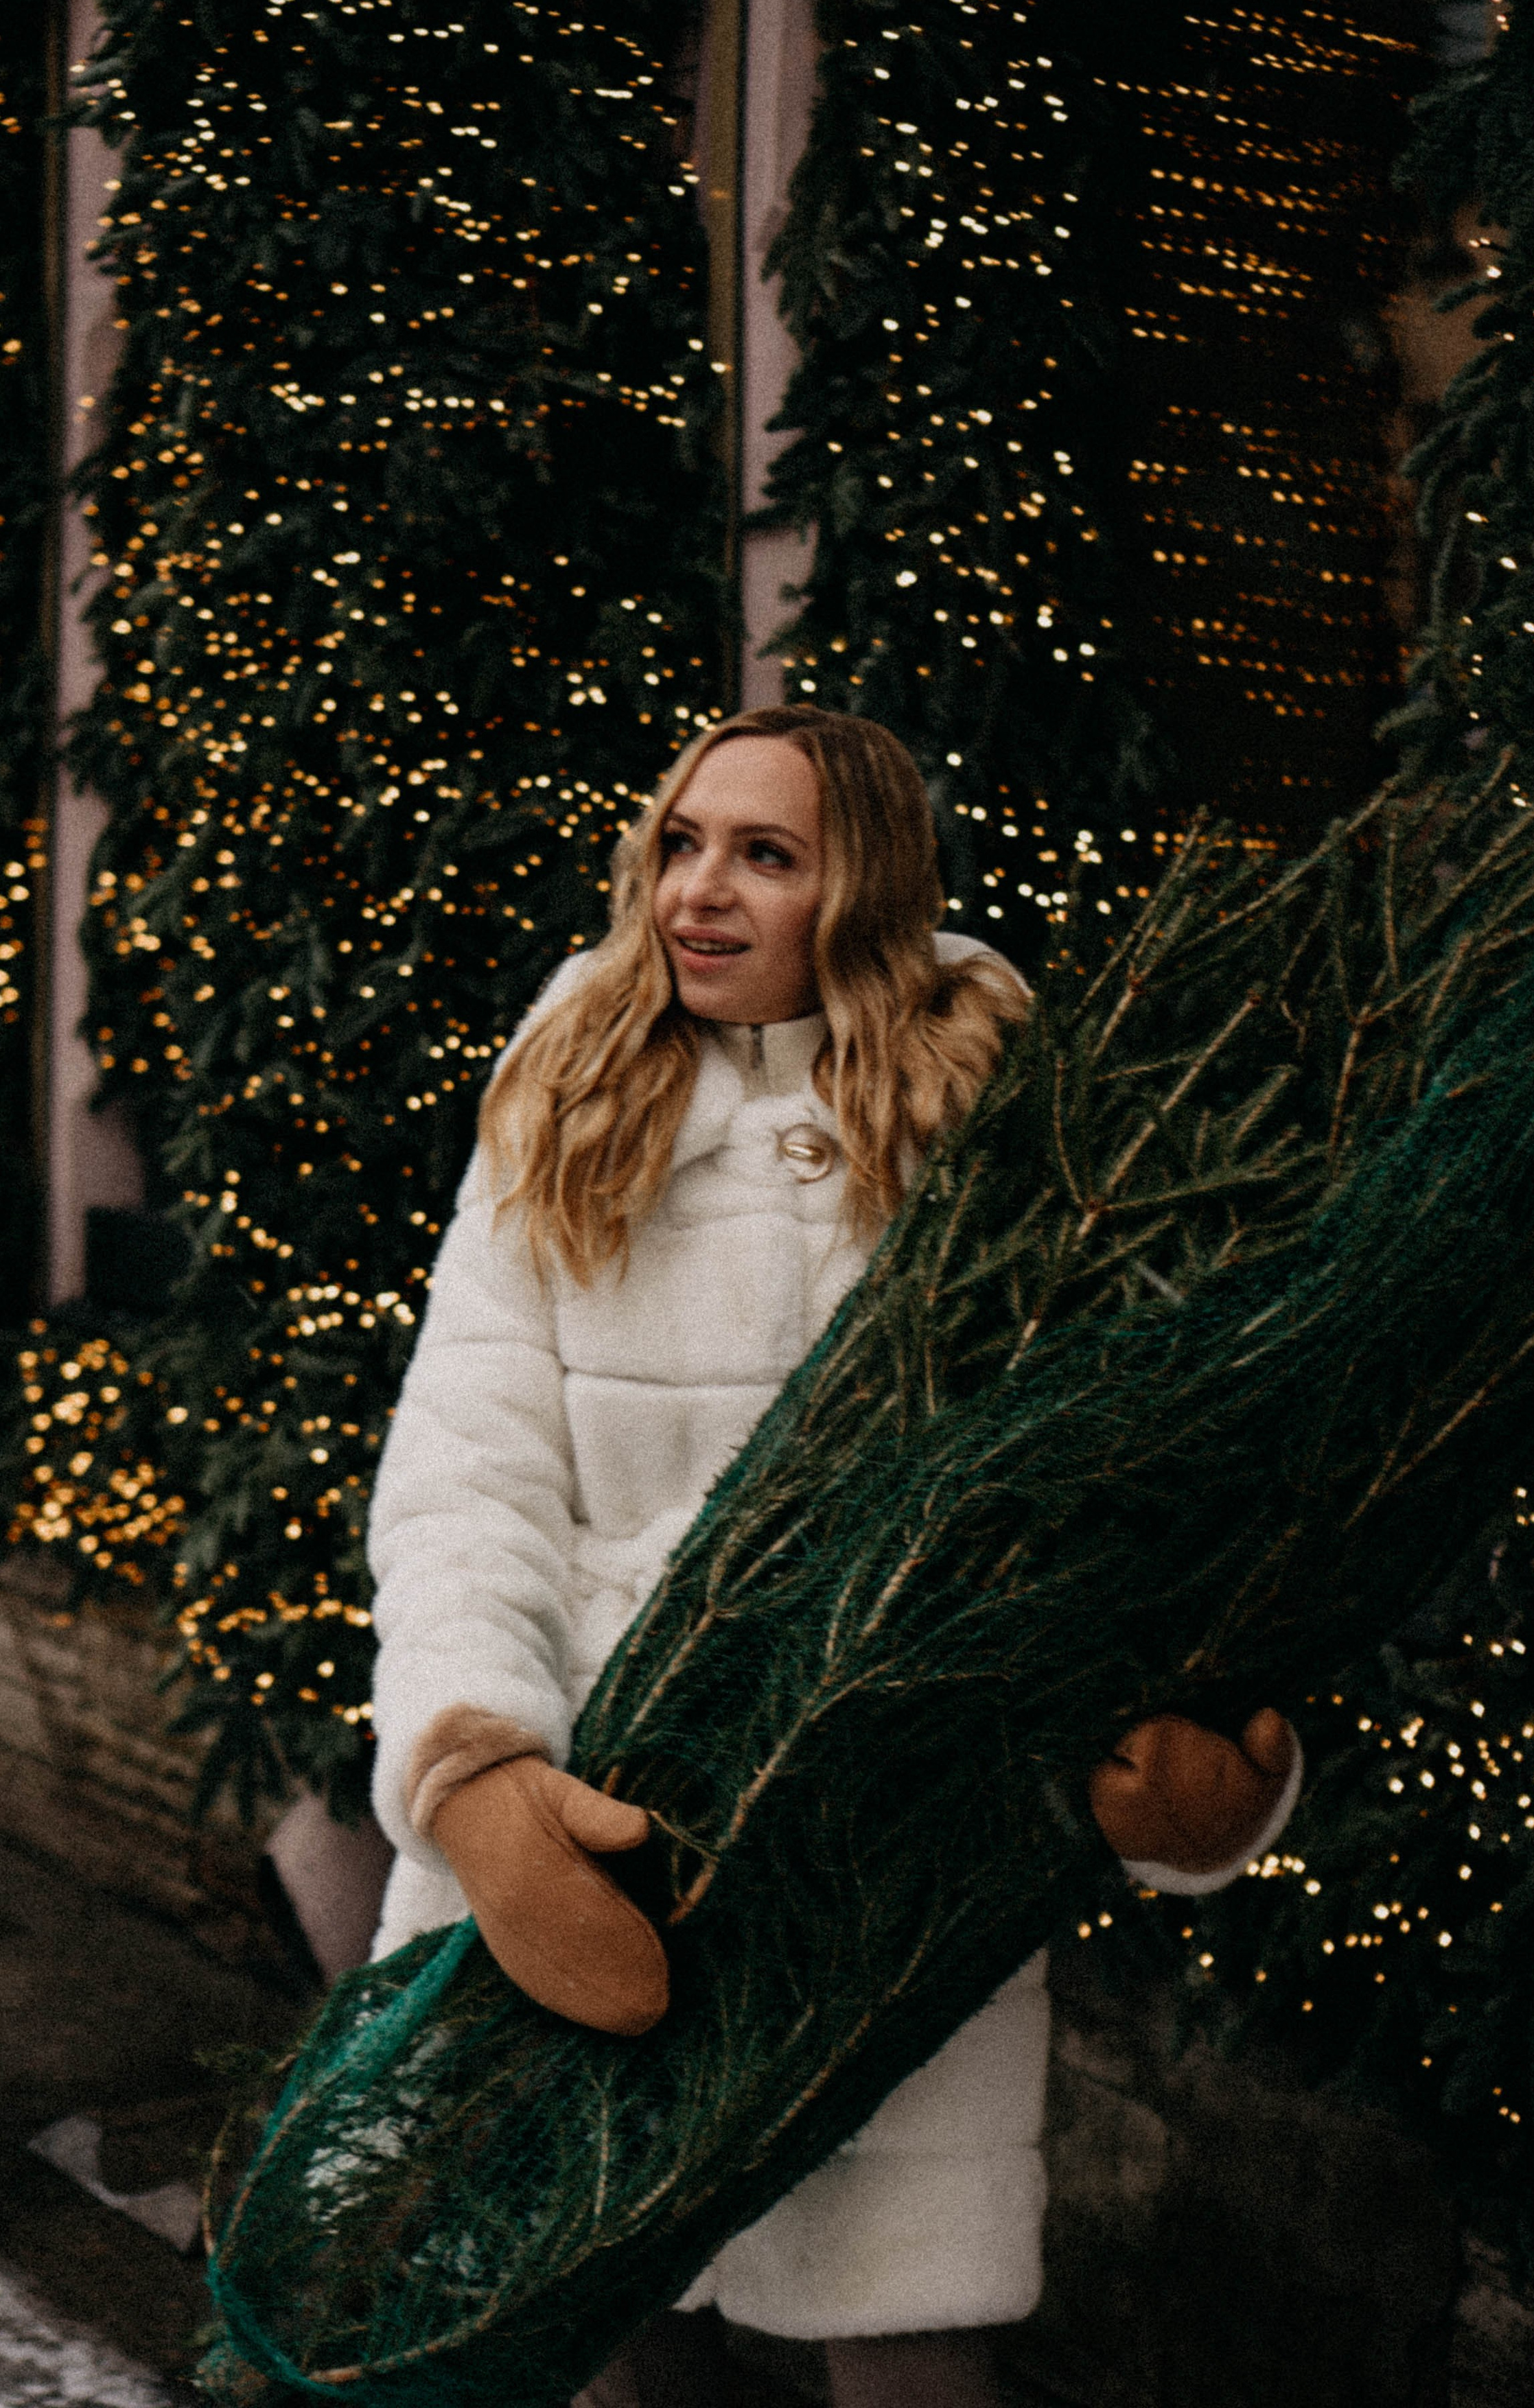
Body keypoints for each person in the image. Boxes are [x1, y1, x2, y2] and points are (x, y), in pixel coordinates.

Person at [367, 708, 1301, 2408]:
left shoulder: (993, 1118)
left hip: (881, 1825)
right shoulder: (566, 1088)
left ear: (859, 888)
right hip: (601, 1806)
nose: (696, 891)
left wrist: (1184, 1775)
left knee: (904, 2348)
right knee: (602, 2338)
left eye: (764, 855)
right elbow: (462, 1474)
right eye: (680, 841)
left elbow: (1107, 1469)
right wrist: (473, 1775)